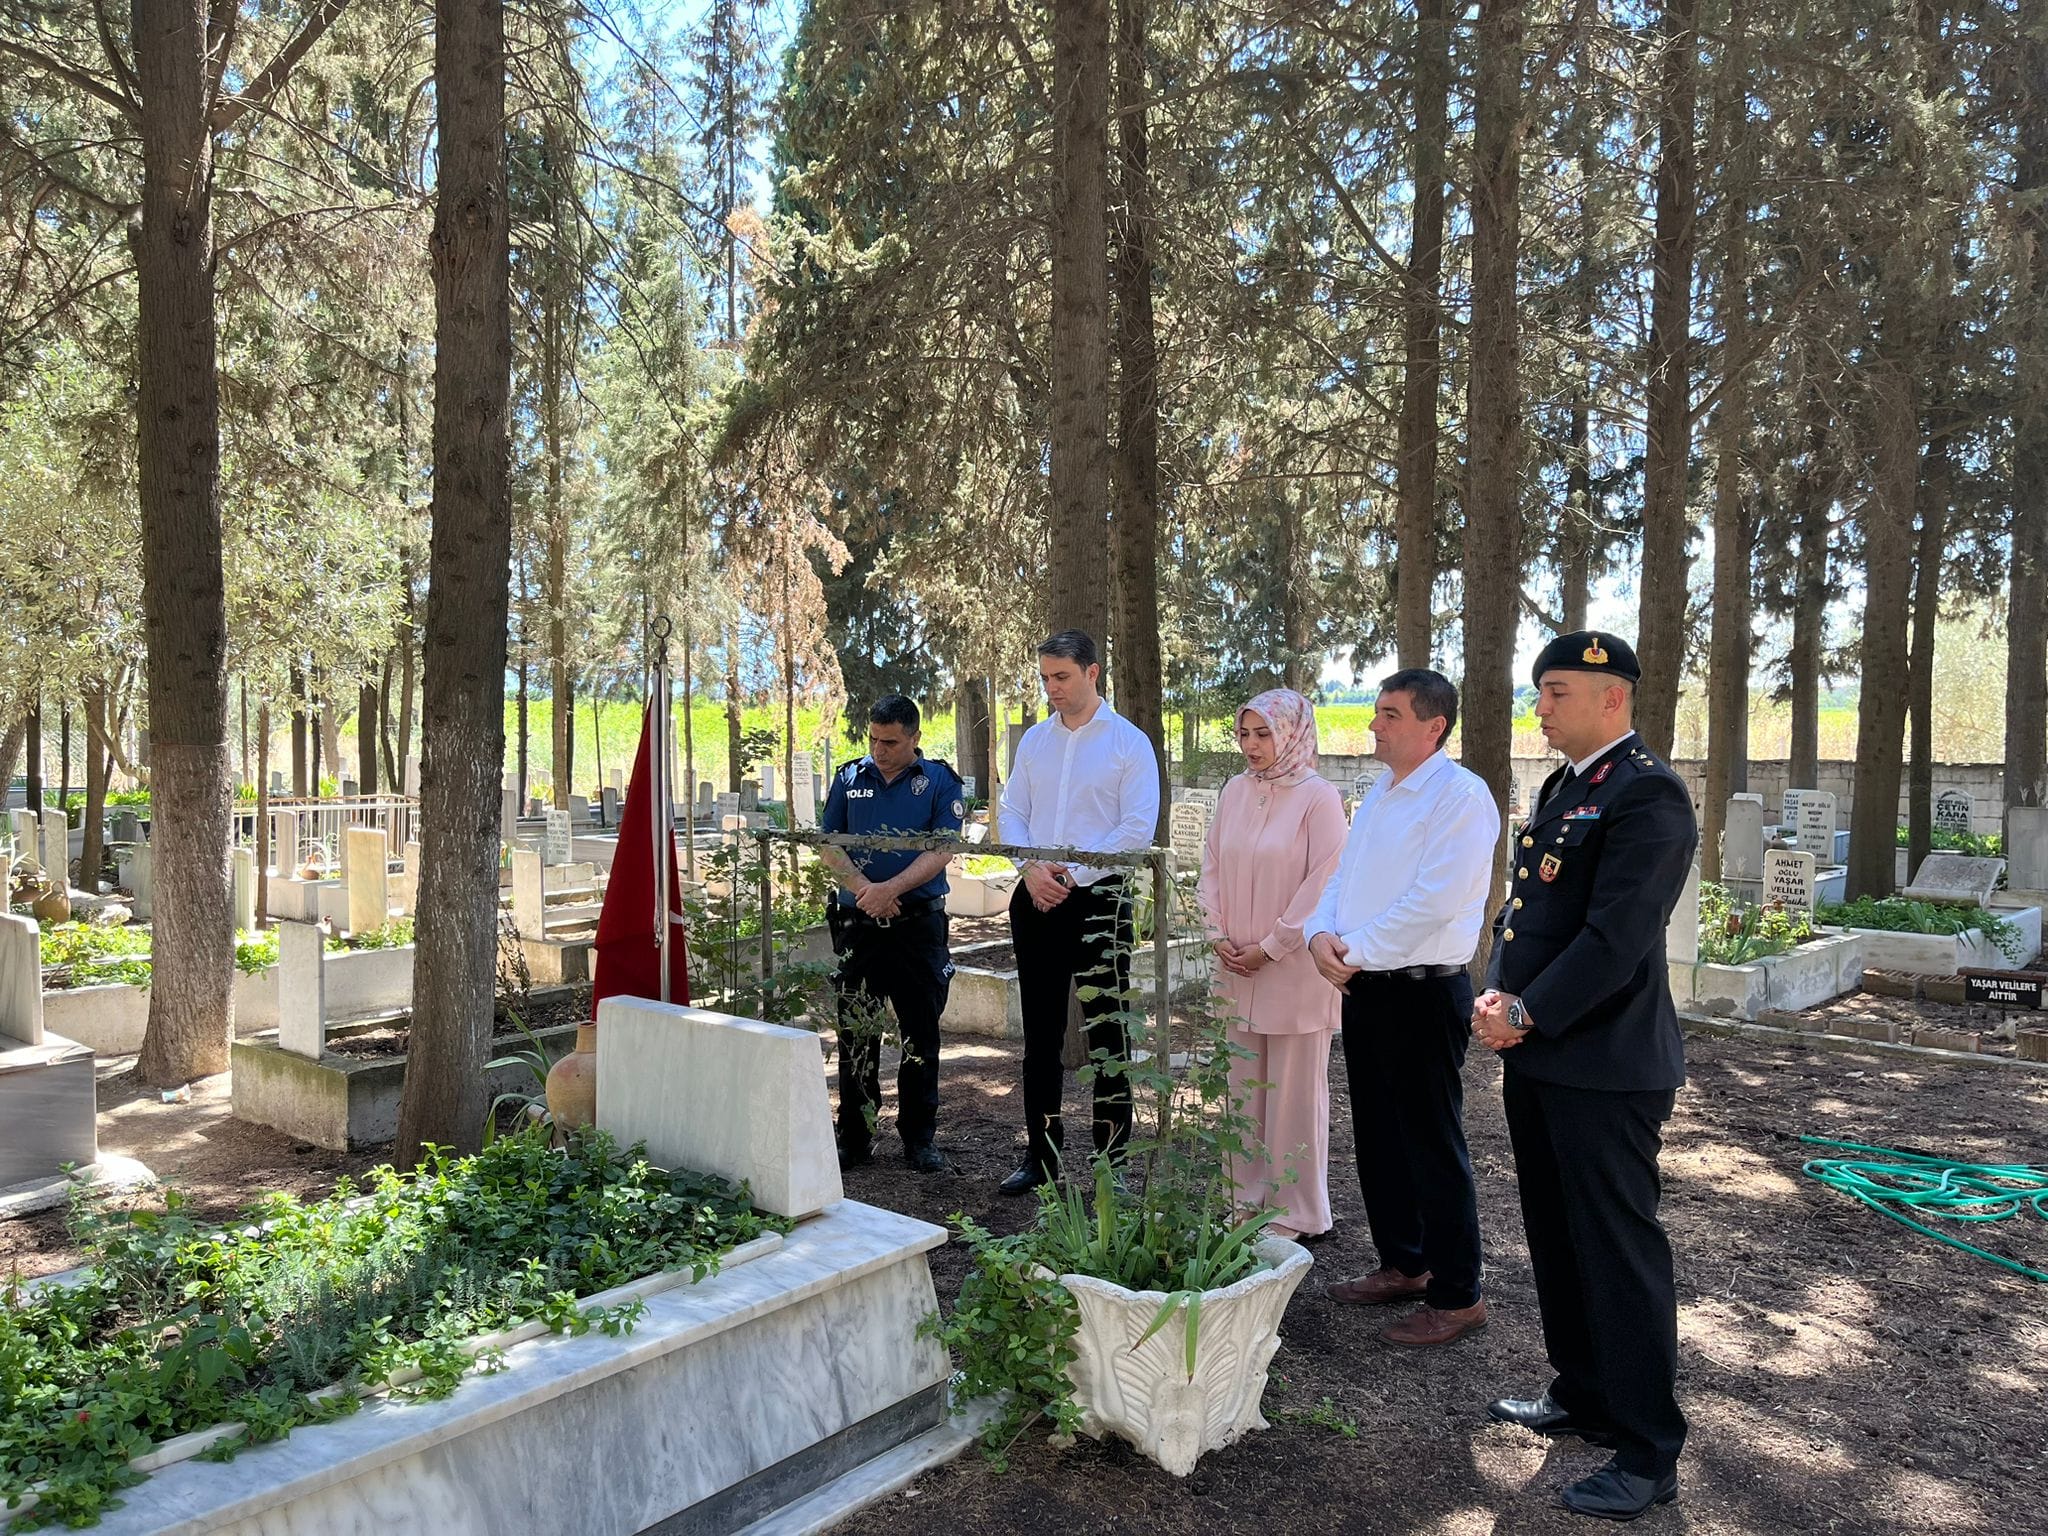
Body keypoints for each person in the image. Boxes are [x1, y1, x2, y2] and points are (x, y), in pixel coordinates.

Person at [1472, 631, 1696, 1522]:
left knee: (1617, 1249)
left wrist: (1524, 1012)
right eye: (1541, 691)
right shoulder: (1568, 787)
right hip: (1543, 1054)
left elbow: (1616, 938)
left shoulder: (1647, 794)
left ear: (1614, 695)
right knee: (1557, 1235)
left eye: (1557, 691)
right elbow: (1526, 916)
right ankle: (1585, 1392)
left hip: (1606, 1064)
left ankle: (1647, 1450)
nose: (1542, 706)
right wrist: (1495, 992)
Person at [1304, 668, 1500, 1348]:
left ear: (1432, 725)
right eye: (1378, 712)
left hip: (1421, 987)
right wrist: (1319, 934)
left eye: (1389, 714)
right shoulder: (1383, 795)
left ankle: (1458, 1293)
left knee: (1430, 1141)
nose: (1374, 725)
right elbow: (1342, 878)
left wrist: (1350, 948)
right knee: (1380, 1136)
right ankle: (1405, 1262)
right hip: (1369, 985)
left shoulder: (1460, 798)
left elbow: (1435, 901)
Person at [996, 629, 1161, 1195]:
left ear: (1093, 673)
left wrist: (1074, 874)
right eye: (1044, 678)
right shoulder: (1036, 742)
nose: (1051, 689)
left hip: (1100, 902)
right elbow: (1012, 810)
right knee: (1040, 1034)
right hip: (1037, 897)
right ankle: (1040, 1157)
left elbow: (1138, 826)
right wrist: (1031, 871)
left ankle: (1111, 1163)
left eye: (1061, 676)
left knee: (1108, 1032)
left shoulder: (1129, 743)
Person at [1196, 689, 1348, 1240]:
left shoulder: (1319, 797)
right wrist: (1219, 934)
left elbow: (1325, 881)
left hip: (1293, 969)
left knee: (1293, 1093)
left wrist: (1273, 945)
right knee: (1243, 1085)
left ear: (1292, 732)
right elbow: (1211, 863)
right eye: (1244, 734)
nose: (1253, 746)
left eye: (1264, 734)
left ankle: (1296, 1210)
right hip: (1236, 964)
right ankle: (1245, 1199)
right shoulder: (1235, 791)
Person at [819, 695, 965, 1174]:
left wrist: (892, 889)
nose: (880, 751)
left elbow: (944, 848)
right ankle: (855, 1136)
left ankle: (919, 1139)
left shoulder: (940, 782)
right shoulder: (848, 777)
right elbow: (829, 843)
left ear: (915, 738)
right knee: (856, 1034)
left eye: (891, 742)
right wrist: (866, 890)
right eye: (874, 740)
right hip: (858, 925)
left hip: (917, 926)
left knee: (920, 1034)